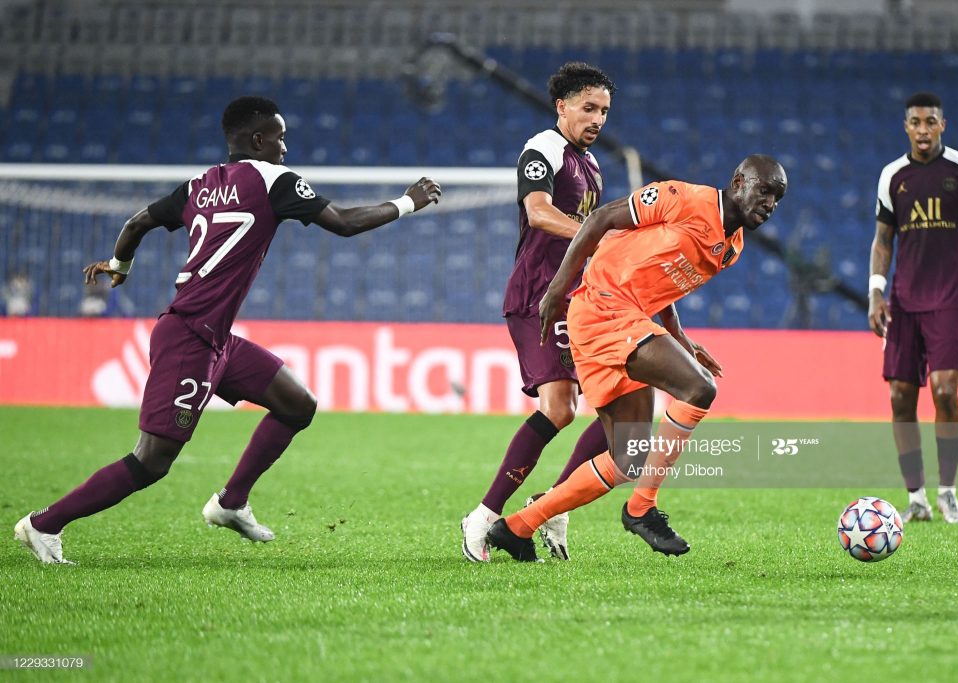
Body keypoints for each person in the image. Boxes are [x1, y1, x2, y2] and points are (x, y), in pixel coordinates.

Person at [14, 96, 442, 564]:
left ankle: (231, 502)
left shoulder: (199, 184)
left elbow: (137, 222)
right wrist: (407, 202)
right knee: (152, 461)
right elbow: (341, 223)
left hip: (213, 337)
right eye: (279, 137)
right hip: (189, 338)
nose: (285, 145)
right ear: (258, 140)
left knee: (297, 405)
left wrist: (120, 265)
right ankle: (42, 524)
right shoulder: (274, 180)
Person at [486, 155, 787, 561]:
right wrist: (558, 288)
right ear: (738, 182)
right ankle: (640, 510)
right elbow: (600, 220)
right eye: (764, 190)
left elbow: (664, 280)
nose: (769, 203)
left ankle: (517, 527)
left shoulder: (731, 248)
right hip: (603, 307)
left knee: (628, 459)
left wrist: (679, 335)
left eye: (777, 198)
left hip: (623, 320)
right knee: (699, 387)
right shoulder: (682, 197)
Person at [460, 62, 616, 562]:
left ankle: (551, 506)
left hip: (579, 300)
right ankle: (483, 517)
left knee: (620, 411)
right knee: (559, 408)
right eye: (588, 108)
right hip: (538, 297)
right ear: (562, 107)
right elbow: (538, 212)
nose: (597, 119)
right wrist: (599, 235)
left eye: (604, 111)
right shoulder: (544, 148)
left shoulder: (591, 166)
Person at [868, 92, 958, 524]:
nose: (923, 130)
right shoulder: (892, 176)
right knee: (900, 396)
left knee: (945, 390)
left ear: (942, 125)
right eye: (916, 122)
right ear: (906, 127)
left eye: (931, 122)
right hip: (905, 301)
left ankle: (948, 492)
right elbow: (883, 239)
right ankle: (917, 499)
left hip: (950, 299)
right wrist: (876, 291)